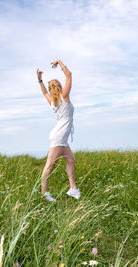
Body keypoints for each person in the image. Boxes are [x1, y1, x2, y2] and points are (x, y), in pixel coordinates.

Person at [37, 59, 81, 202]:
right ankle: (44, 193)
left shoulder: (53, 101)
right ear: (60, 87)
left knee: (70, 160)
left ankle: (73, 189)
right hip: (59, 137)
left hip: (60, 136)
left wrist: (40, 80)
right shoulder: (64, 97)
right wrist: (59, 62)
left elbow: (44, 93)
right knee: (49, 165)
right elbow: (69, 75)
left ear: (51, 89)